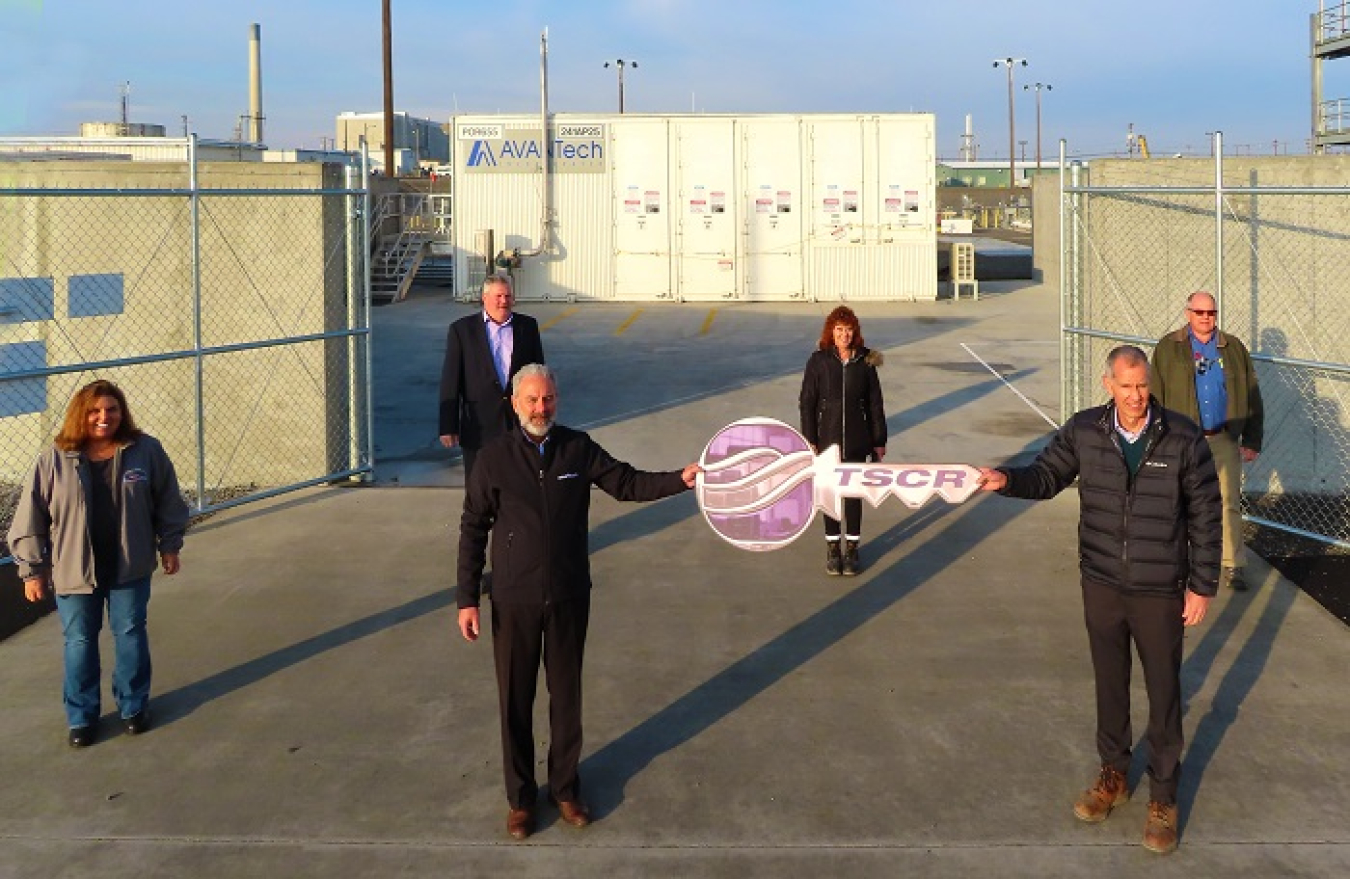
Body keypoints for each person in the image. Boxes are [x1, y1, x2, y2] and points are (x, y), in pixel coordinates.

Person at [976, 345, 1221, 855]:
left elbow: (1205, 512)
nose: (1136, 397)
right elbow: (1046, 476)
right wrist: (1006, 480)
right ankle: (1113, 774)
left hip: (1159, 587)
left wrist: (1201, 585)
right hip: (1103, 582)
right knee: (1110, 684)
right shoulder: (1086, 430)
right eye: (1126, 386)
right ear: (1107, 384)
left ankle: (1163, 797)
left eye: (1143, 386)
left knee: (1164, 693)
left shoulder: (1181, 435)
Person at [456, 363, 700, 841]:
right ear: (514, 403)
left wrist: (682, 479)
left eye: (547, 399)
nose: (540, 408)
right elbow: (472, 528)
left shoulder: (577, 448)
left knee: (566, 697)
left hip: (568, 594)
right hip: (514, 598)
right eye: (531, 400)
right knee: (515, 701)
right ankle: (521, 800)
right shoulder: (494, 459)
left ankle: (565, 789)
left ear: (556, 401)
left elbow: (627, 483)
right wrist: (467, 598)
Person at [7, 379, 189, 748]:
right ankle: (82, 717)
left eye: (111, 410)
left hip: (129, 567)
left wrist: (170, 545)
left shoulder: (145, 451)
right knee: (79, 643)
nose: (103, 417)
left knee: (131, 637)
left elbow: (168, 500)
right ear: (81, 414)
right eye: (94, 411)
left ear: (122, 413)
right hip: (75, 571)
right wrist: (32, 570)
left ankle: (133, 708)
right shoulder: (54, 458)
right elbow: (31, 519)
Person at [1151, 290, 1264, 591]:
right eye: (1199, 312)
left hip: (1222, 438)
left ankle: (1232, 565)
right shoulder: (1168, 348)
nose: (1206, 318)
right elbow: (1155, 394)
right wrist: (1157, 435)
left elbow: (1252, 394)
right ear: (1188, 313)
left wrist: (1252, 438)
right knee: (1178, 501)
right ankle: (1177, 562)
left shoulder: (1233, 347)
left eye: (1211, 313)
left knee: (1227, 502)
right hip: (1181, 440)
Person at [798, 306, 887, 576]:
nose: (844, 335)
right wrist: (810, 438)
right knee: (831, 493)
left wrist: (879, 440)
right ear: (831, 332)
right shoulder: (819, 361)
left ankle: (852, 549)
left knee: (852, 496)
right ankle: (833, 550)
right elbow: (807, 402)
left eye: (849, 330)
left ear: (855, 333)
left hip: (858, 441)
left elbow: (874, 404)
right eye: (839, 330)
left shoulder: (865, 362)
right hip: (828, 440)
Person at [438, 274, 545, 477]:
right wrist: (448, 426)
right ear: (484, 298)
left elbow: (539, 375)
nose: (504, 301)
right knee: (480, 486)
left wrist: (541, 415)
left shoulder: (527, 327)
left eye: (508, 296)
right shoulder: (462, 331)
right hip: (479, 426)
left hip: (519, 424)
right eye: (498, 296)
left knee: (519, 483)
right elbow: (450, 381)